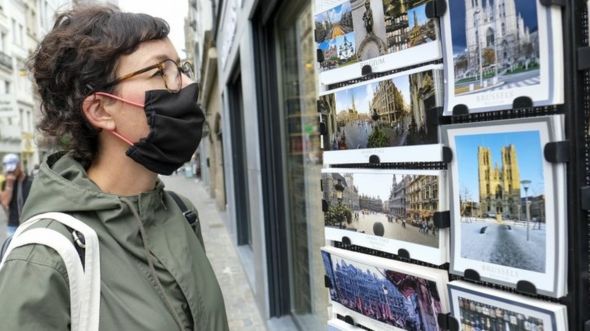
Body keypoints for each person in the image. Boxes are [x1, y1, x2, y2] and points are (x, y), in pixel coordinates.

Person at [0, 5, 228, 331]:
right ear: (101, 109)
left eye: (180, 67)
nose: (185, 84)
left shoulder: (181, 212)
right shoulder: (42, 260)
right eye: (159, 72)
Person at [0, 153, 33, 237]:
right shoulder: (5, 183)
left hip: (29, 224)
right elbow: (5, 203)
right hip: (13, 225)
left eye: (13, 169)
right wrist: (9, 185)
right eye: (9, 171)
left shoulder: (31, 181)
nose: (11, 172)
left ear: (19, 165)